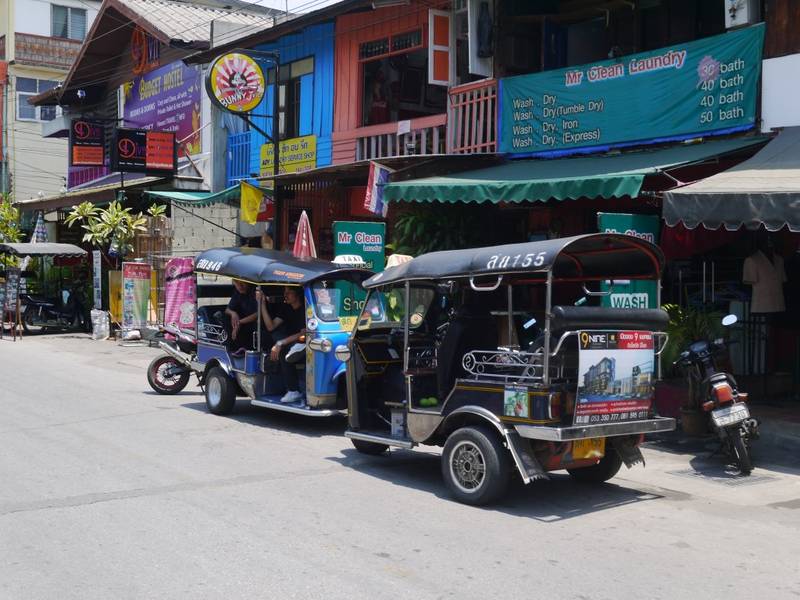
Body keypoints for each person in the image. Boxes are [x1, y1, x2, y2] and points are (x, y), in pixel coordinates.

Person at [263, 286, 306, 403]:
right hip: (292, 342)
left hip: (305, 341)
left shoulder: (305, 309)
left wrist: (281, 343)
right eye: (284, 292)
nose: (285, 295)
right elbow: (270, 326)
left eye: (289, 292)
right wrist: (262, 304)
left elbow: (304, 333)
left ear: (297, 295)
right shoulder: (286, 308)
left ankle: (293, 390)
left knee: (284, 351)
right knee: (274, 338)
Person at [224, 280, 258, 355]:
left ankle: (245, 348)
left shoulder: (255, 292)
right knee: (227, 317)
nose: (240, 286)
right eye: (237, 283)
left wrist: (239, 323)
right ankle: (232, 348)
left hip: (254, 322)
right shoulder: (237, 292)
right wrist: (233, 313)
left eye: (242, 283)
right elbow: (227, 309)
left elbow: (258, 314)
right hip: (242, 321)